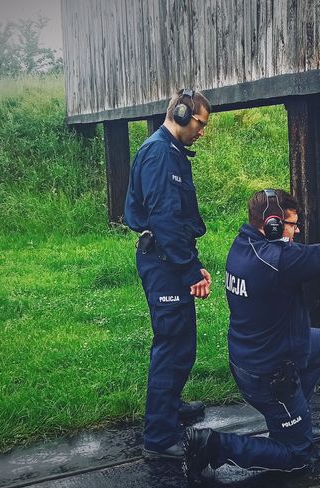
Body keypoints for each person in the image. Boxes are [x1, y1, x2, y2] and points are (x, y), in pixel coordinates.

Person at [180, 189, 320, 482]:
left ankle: (295, 418)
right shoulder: (276, 260)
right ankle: (212, 445)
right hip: (269, 375)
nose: (297, 230)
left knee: (319, 341)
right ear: (271, 223)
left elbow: (310, 255)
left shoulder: (244, 244)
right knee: (298, 456)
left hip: (251, 358)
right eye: (292, 224)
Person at [124, 89, 213, 459]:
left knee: (182, 344)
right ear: (179, 115)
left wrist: (189, 262)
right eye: (200, 123)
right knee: (171, 346)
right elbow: (164, 220)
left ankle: (170, 407)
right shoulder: (160, 154)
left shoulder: (170, 152)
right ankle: (159, 439)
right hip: (163, 263)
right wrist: (190, 270)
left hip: (170, 260)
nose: (202, 132)